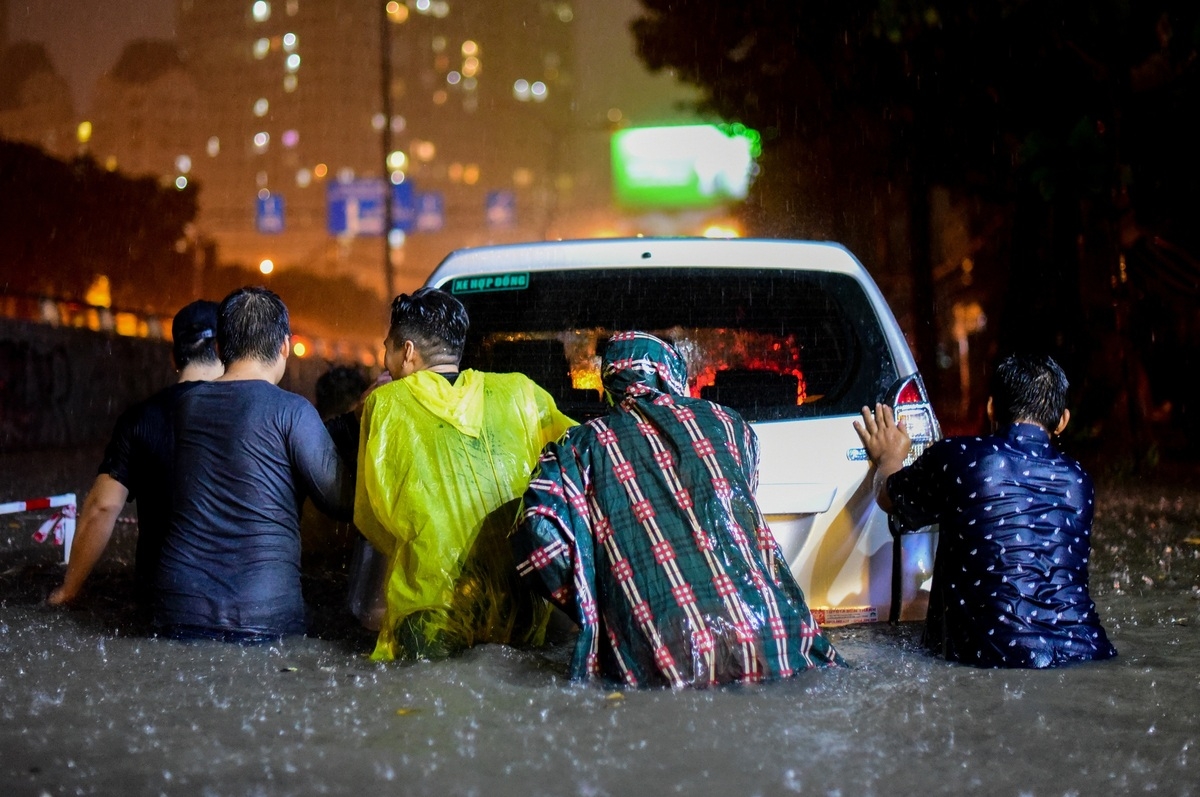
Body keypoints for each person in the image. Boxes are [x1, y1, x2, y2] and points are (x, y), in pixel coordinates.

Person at [514, 332, 844, 688]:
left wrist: (596, 598)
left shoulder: (578, 447)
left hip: (661, 649)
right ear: (668, 374)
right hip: (775, 638)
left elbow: (538, 531)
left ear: (610, 382)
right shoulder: (731, 425)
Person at [853, 352, 1117, 668]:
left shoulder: (962, 458)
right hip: (1089, 651)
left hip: (995, 658)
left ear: (991, 407)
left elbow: (890, 497)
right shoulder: (1079, 481)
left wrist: (889, 458)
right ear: (1062, 421)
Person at [354, 287, 575, 661]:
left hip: (431, 607)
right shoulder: (522, 392)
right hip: (522, 600)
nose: (386, 361)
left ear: (407, 351)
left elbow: (371, 514)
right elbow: (583, 459)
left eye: (387, 349)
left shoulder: (385, 404)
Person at [154, 286, 354, 642]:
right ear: (284, 347)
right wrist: (354, 426)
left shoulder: (186, 407)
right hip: (263, 607)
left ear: (218, 348)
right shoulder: (293, 411)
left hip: (181, 602)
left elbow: (243, 442)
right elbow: (340, 499)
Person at [48, 300, 224, 608]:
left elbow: (101, 508)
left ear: (174, 358)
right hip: (237, 600)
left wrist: (69, 590)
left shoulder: (141, 419)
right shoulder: (252, 416)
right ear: (223, 350)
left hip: (159, 597)